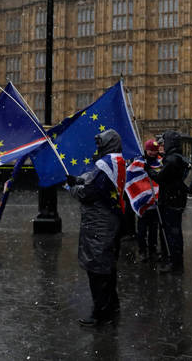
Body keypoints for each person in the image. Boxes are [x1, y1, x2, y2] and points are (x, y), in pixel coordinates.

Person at [67, 129, 125, 326]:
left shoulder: (107, 164)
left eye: (100, 144)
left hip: (99, 224)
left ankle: (101, 314)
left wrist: (73, 188)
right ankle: (111, 306)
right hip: (106, 222)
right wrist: (79, 180)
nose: (97, 148)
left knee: (97, 268)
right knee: (106, 266)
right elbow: (98, 182)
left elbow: (90, 192)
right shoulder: (115, 162)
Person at [148, 130, 188, 274]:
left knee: (172, 234)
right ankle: (174, 260)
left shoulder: (171, 160)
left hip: (171, 201)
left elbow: (160, 178)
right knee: (175, 232)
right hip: (177, 200)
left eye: (164, 142)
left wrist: (149, 170)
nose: (162, 145)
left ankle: (175, 264)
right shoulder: (178, 157)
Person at [136, 139, 162, 263]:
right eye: (150, 150)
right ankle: (142, 251)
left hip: (155, 204)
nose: (152, 153)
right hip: (142, 203)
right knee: (141, 230)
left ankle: (152, 250)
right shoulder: (140, 161)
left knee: (153, 230)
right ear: (146, 150)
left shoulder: (160, 161)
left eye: (155, 150)